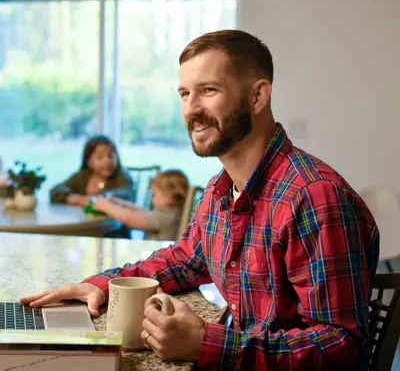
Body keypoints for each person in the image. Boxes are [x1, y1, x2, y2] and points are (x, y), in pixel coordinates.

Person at [21, 30, 379, 370]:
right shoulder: (217, 191)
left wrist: (207, 344)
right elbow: (184, 261)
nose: (192, 109)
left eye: (208, 90)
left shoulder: (313, 196)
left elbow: (339, 344)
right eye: (184, 94)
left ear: (258, 95)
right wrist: (101, 284)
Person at [91, 170, 189, 241]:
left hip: (157, 263)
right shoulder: (171, 213)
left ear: (170, 196)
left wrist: (106, 206)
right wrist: (121, 203)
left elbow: (131, 220)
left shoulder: (166, 216)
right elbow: (144, 213)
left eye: (154, 194)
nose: (152, 198)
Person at [50, 135, 134, 206]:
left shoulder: (122, 176)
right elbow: (56, 190)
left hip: (114, 225)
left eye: (110, 156)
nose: (107, 161)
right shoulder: (82, 175)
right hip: (85, 223)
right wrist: (74, 198)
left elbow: (126, 194)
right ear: (88, 161)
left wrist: (96, 198)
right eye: (100, 157)